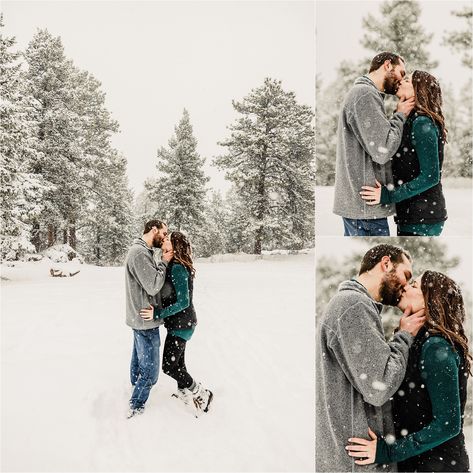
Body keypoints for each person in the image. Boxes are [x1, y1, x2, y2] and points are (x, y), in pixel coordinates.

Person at [346, 271, 471, 472]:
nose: (405, 286)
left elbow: (448, 424)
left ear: (430, 300)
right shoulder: (417, 341)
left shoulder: (436, 347)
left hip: (438, 466)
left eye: (414, 285)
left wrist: (387, 451)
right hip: (417, 464)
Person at [315, 244, 425, 472]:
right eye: (406, 275)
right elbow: (379, 387)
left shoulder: (352, 305)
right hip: (357, 463)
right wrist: (404, 337)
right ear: (386, 264)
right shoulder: (354, 305)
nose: (405, 285)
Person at [333, 52, 415, 236]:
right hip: (366, 207)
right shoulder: (365, 94)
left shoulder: (365, 94)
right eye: (402, 73)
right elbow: (382, 150)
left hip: (362, 206)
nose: (401, 80)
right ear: (387, 65)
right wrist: (400, 115)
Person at [360, 71, 448, 236]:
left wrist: (389, 195)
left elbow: (430, 176)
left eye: (407, 80)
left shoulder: (422, 123)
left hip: (423, 217)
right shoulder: (412, 120)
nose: (400, 81)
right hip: (412, 215)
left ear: (418, 89)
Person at [140, 231, 213, 416]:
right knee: (178, 363)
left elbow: (183, 302)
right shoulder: (173, 263)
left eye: (167, 239)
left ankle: (201, 393)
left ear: (175, 245)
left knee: (169, 366)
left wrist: (158, 313)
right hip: (180, 323)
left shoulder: (179, 267)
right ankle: (183, 391)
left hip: (182, 324)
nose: (164, 240)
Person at [124, 219, 173, 418]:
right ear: (154, 230)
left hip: (141, 318)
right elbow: (153, 285)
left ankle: (134, 389)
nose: (165, 237)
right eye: (164, 232)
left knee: (138, 361)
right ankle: (136, 405)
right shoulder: (139, 253)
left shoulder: (143, 251)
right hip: (145, 320)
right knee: (150, 371)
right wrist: (165, 262)